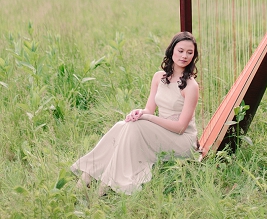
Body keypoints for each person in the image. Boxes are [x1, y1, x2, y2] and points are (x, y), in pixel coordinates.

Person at [72, 31, 200, 195]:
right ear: (172, 51)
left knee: (136, 126)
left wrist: (148, 118)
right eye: (180, 50)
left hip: (182, 140)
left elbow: (181, 127)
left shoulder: (191, 86)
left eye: (190, 52)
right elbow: (148, 109)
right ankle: (88, 174)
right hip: (163, 132)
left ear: (193, 56)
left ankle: (106, 183)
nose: (184, 56)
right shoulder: (158, 77)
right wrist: (139, 112)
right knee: (123, 125)